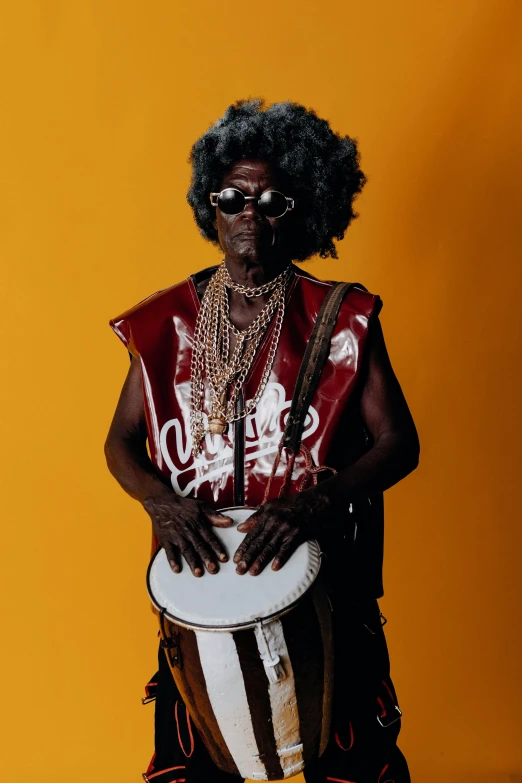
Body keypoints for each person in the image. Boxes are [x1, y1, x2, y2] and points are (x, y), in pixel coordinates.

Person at [104, 97, 420, 783]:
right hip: (200, 581)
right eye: (233, 196)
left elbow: (400, 441)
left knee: (353, 763)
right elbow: (120, 442)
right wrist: (161, 502)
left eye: (274, 200)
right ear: (209, 206)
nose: (250, 212)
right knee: (196, 765)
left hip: (322, 579)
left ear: (303, 213)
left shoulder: (346, 319)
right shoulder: (164, 323)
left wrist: (315, 505)